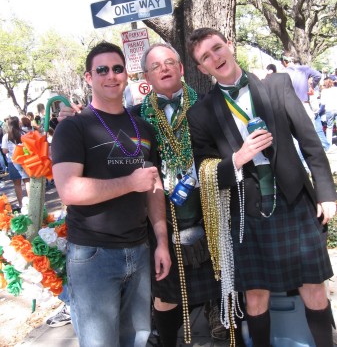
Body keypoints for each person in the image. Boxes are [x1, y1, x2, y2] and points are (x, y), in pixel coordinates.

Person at [58, 43, 241, 345]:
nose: (164, 69)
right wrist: (70, 118)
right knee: (161, 298)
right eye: (156, 66)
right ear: (145, 76)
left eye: (170, 62)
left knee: (218, 281)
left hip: (208, 210)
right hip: (129, 236)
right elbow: (75, 184)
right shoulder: (135, 115)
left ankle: (220, 319)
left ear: (182, 69)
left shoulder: (207, 105)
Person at [186, 27, 336, 347]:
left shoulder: (277, 85)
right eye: (205, 57)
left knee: (313, 286)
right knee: (255, 295)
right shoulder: (200, 113)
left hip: (294, 201)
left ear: (229, 44)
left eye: (217, 48)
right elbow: (204, 173)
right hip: (247, 212)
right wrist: (238, 159)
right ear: (202, 68)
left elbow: (310, 141)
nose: (215, 57)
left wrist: (326, 193)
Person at [51, 41, 171, 347]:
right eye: (101, 69)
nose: (111, 75)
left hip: (140, 251)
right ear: (88, 77)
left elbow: (153, 188)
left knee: (137, 340)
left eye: (117, 68)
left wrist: (161, 242)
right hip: (93, 257)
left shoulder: (143, 126)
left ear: (127, 75)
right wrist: (130, 183)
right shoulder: (73, 128)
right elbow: (69, 190)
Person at [2, 116, 30, 208]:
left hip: (12, 161)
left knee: (17, 184)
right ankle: (31, 202)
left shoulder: (6, 136)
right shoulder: (23, 133)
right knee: (27, 181)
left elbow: (5, 151)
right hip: (24, 160)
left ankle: (21, 204)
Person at [320, 77, 337, 148]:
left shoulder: (324, 91)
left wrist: (319, 112)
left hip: (329, 110)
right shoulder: (336, 89)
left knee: (329, 127)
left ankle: (329, 145)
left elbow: (323, 103)